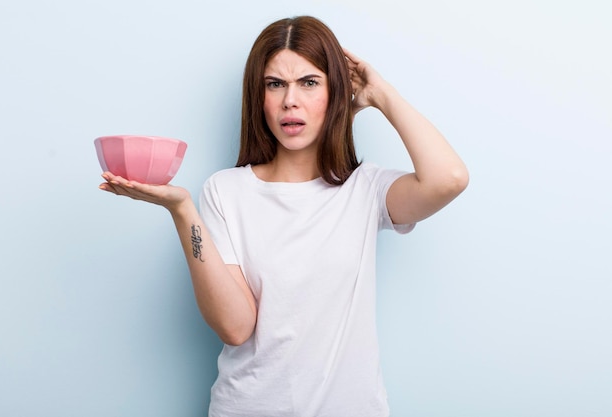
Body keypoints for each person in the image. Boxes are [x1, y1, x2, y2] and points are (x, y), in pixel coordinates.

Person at [99, 15, 468, 417]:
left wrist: (380, 94)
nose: (290, 100)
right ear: (259, 98)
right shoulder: (226, 191)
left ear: (336, 93)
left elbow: (449, 178)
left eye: (309, 82)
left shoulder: (366, 189)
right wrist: (182, 210)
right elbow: (236, 327)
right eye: (275, 84)